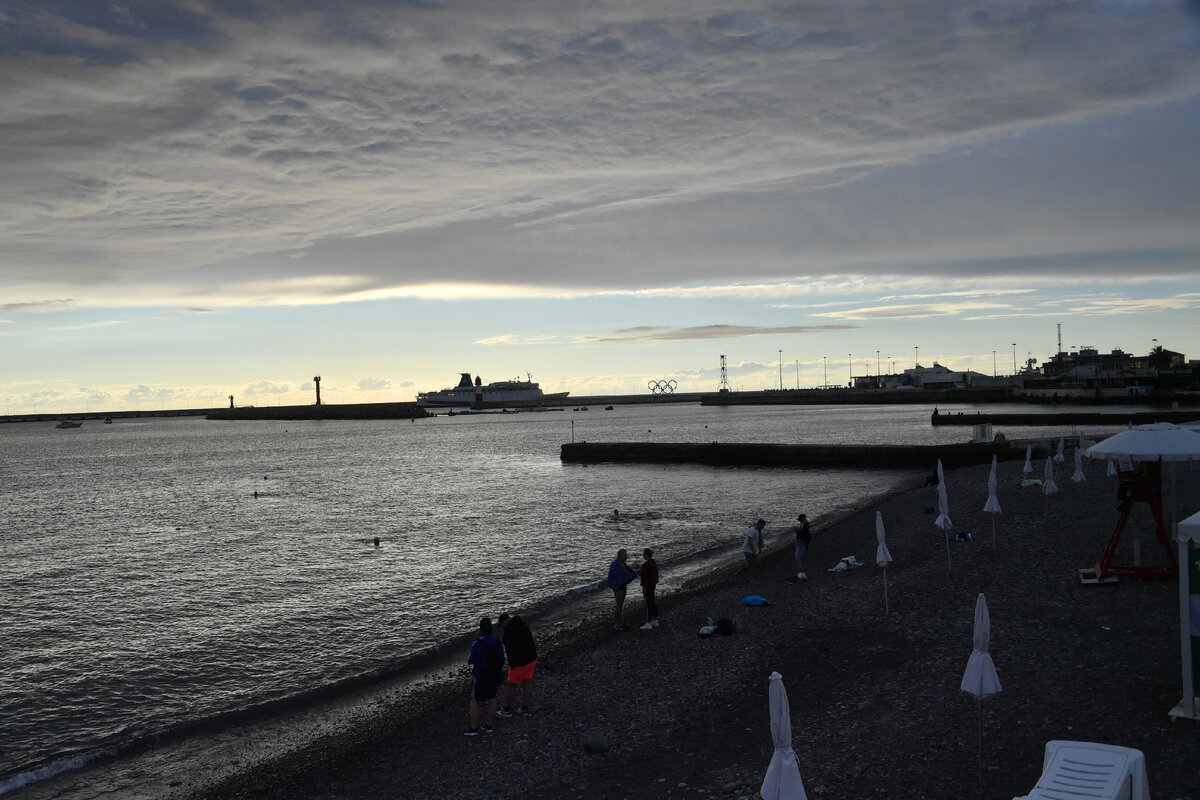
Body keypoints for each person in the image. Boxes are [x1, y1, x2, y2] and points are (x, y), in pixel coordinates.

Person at [465, 617, 504, 736]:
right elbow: (502, 659)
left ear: (481, 629)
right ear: (491, 629)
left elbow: (470, 660)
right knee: (492, 699)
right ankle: (489, 726)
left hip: (480, 676)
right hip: (493, 675)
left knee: (474, 700)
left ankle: (473, 728)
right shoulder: (498, 642)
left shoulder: (477, 644)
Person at [495, 614, 537, 716]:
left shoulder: (508, 634)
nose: (502, 628)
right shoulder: (522, 624)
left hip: (519, 664)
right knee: (527, 683)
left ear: (505, 622)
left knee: (511, 686)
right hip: (532, 659)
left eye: (501, 625)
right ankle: (525, 707)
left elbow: (511, 653)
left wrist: (512, 666)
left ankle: (507, 710)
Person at [606, 549, 638, 630]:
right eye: (624, 555)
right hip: (618, 587)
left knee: (621, 604)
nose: (626, 556)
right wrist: (634, 573)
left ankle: (620, 621)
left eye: (626, 554)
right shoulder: (615, 565)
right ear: (619, 556)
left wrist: (636, 571)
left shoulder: (623, 563)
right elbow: (620, 576)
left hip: (623, 586)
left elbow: (629, 573)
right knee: (619, 605)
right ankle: (617, 624)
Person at [638, 548, 660, 630]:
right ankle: (655, 619)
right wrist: (641, 568)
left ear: (646, 555)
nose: (643, 555)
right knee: (652, 601)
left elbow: (643, 574)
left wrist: (638, 570)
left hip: (648, 584)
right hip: (652, 584)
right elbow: (648, 571)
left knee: (649, 603)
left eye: (643, 554)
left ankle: (648, 622)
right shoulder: (653, 562)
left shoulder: (647, 564)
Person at [786, 514, 811, 582]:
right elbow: (802, 533)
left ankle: (801, 571)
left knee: (798, 557)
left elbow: (803, 535)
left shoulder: (805, 525)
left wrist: (796, 531)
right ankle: (803, 570)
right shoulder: (804, 524)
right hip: (800, 542)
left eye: (800, 520)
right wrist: (797, 531)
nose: (800, 521)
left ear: (803, 519)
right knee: (800, 556)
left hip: (801, 542)